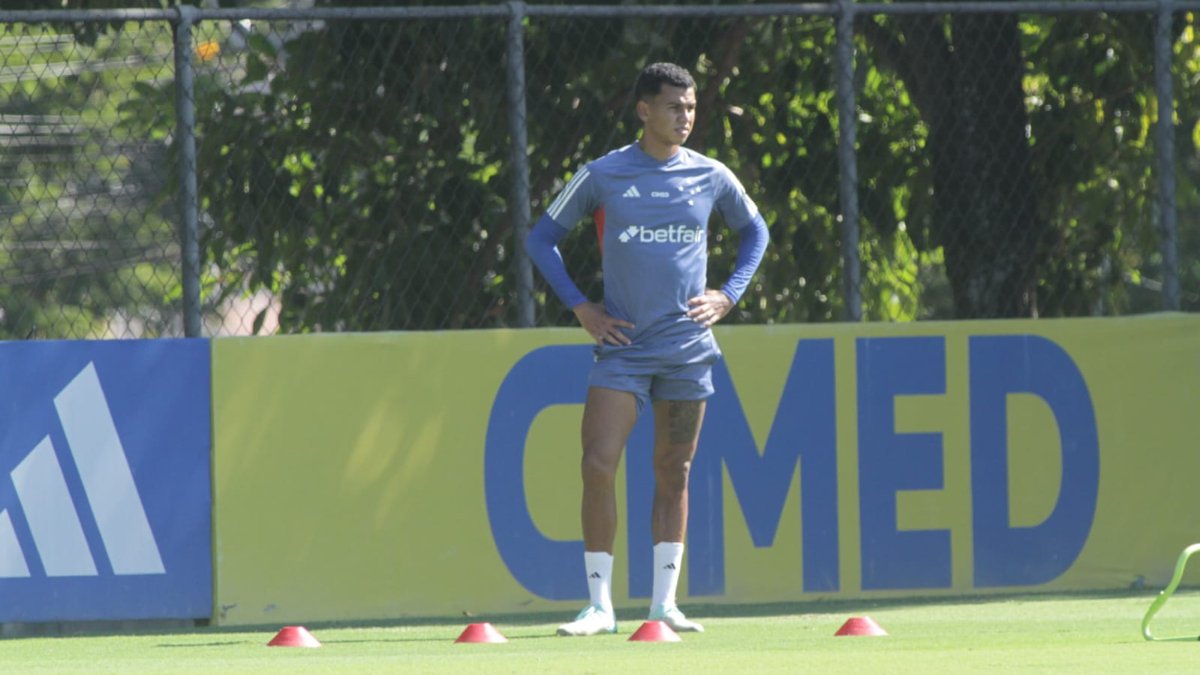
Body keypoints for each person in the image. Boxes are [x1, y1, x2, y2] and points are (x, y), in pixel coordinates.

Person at [524, 62, 769, 637]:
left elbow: (755, 232)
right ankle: (599, 607)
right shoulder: (603, 175)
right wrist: (584, 308)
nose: (685, 117)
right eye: (673, 107)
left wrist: (728, 295)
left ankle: (664, 605)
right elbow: (541, 239)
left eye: (690, 108)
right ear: (644, 110)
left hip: (687, 351)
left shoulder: (710, 175)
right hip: (624, 348)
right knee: (596, 463)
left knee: (674, 470)